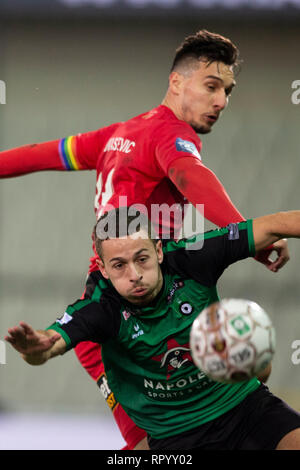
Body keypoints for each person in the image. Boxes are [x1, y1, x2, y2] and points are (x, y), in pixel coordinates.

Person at [0, 30, 289, 449]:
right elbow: (192, 178)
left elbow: (40, 154)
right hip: (131, 324)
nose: (221, 101)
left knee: (242, 381)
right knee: (172, 434)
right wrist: (252, 238)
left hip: (124, 322)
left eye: (227, 91)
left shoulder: (118, 135)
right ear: (176, 83)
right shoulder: (171, 135)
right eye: (211, 87)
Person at [5, 206, 300, 450]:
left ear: (159, 250)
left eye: (142, 259)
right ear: (104, 270)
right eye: (119, 266)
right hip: (177, 438)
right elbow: (50, 343)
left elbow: (274, 225)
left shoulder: (192, 258)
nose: (134, 275)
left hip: (244, 407)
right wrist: (36, 349)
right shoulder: (100, 306)